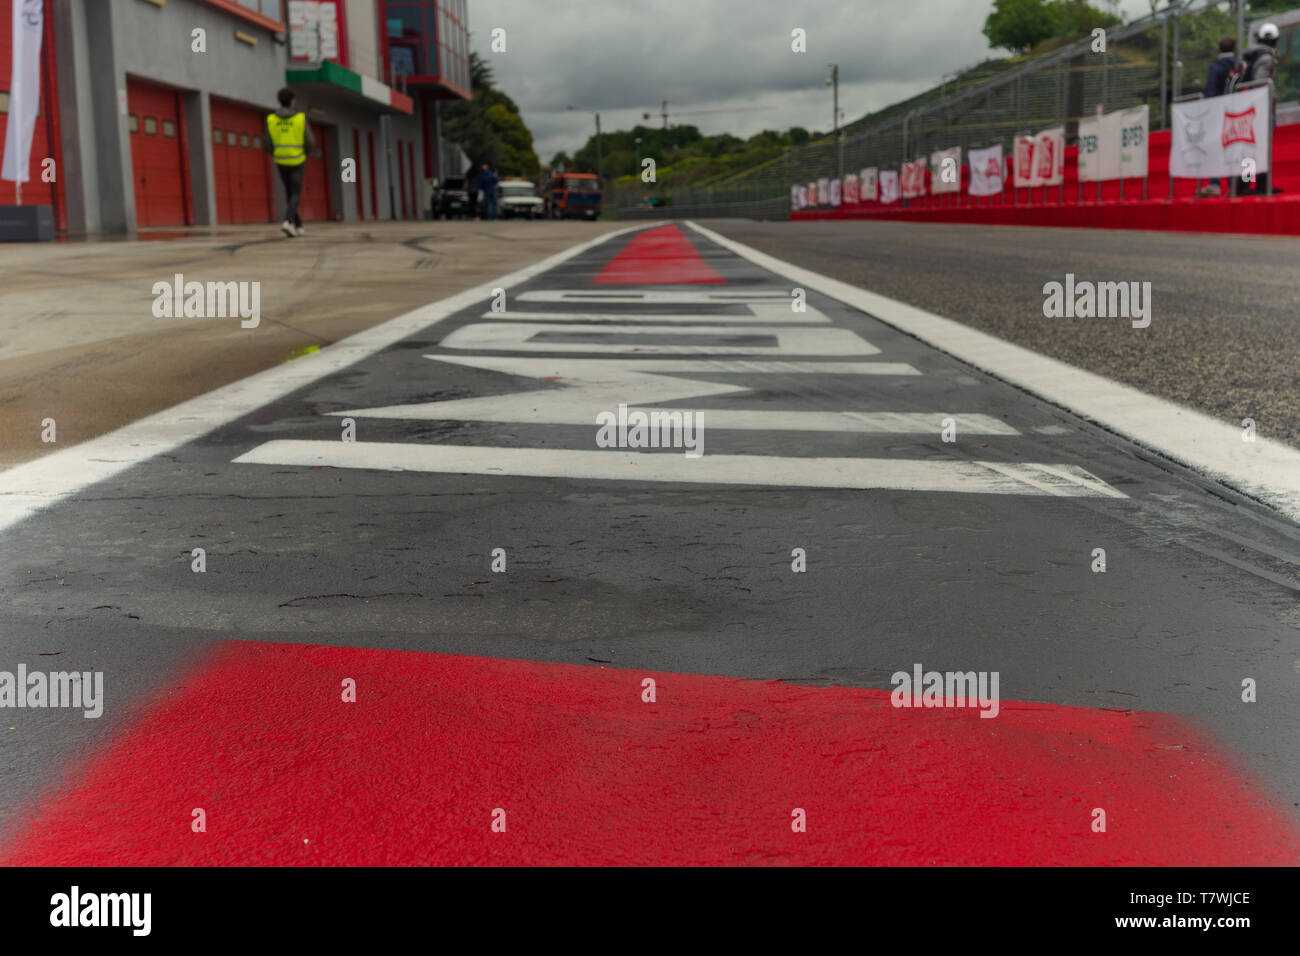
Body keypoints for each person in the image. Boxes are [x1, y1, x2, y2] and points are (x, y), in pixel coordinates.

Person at [1231, 23, 1281, 196]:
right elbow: (1261, 82)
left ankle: (1246, 186)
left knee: (1249, 148)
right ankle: (1259, 186)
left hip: (1249, 106)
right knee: (1261, 148)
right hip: (1262, 108)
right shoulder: (1266, 57)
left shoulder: (1250, 55)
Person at [264, 87, 315, 237]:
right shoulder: (300, 118)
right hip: (297, 159)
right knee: (295, 193)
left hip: (280, 160)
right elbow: (309, 141)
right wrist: (306, 153)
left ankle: (298, 226)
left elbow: (267, 141)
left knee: (289, 192)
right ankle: (287, 221)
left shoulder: (271, 119)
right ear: (292, 101)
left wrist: (275, 153)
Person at [1198, 37, 1240, 197]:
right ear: (1234, 47)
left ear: (1219, 49)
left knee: (1216, 147)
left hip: (1218, 113)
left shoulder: (1216, 66)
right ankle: (1234, 185)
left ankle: (1215, 184)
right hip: (1238, 111)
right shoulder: (1240, 65)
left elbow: (1212, 90)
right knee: (1235, 147)